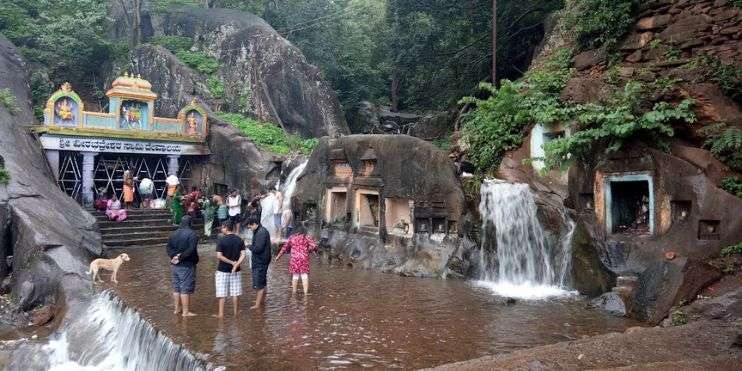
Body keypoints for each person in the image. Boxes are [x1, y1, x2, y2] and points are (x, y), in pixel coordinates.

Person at [166, 215, 199, 317]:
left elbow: (168, 247)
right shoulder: (192, 234)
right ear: (190, 223)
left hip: (174, 265)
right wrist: (180, 257)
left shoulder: (173, 234)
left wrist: (173, 256)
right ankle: (185, 312)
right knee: (185, 288)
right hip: (187, 265)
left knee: (176, 288)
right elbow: (191, 249)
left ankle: (177, 309)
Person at [214, 221, 246, 318]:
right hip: (236, 271)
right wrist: (236, 265)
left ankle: (221, 314)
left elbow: (219, 256)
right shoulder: (239, 240)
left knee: (222, 293)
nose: (221, 229)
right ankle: (236, 313)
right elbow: (243, 255)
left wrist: (231, 263)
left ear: (226, 228)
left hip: (222, 270)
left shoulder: (221, 240)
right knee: (235, 293)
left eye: (222, 227)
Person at [274, 226, 317, 295]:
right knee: (304, 275)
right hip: (304, 259)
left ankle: (294, 292)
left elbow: (285, 248)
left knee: (295, 275)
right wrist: (310, 250)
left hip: (294, 259)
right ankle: (306, 293)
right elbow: (314, 246)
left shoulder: (292, 237)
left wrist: (278, 257)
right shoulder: (306, 237)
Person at [246, 216, 271, 309]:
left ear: (255, 224)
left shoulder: (261, 232)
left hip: (260, 261)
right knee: (263, 282)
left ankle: (257, 305)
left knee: (259, 283)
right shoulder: (260, 231)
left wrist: (249, 246)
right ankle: (262, 300)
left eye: (250, 227)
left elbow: (258, 249)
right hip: (262, 260)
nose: (250, 229)